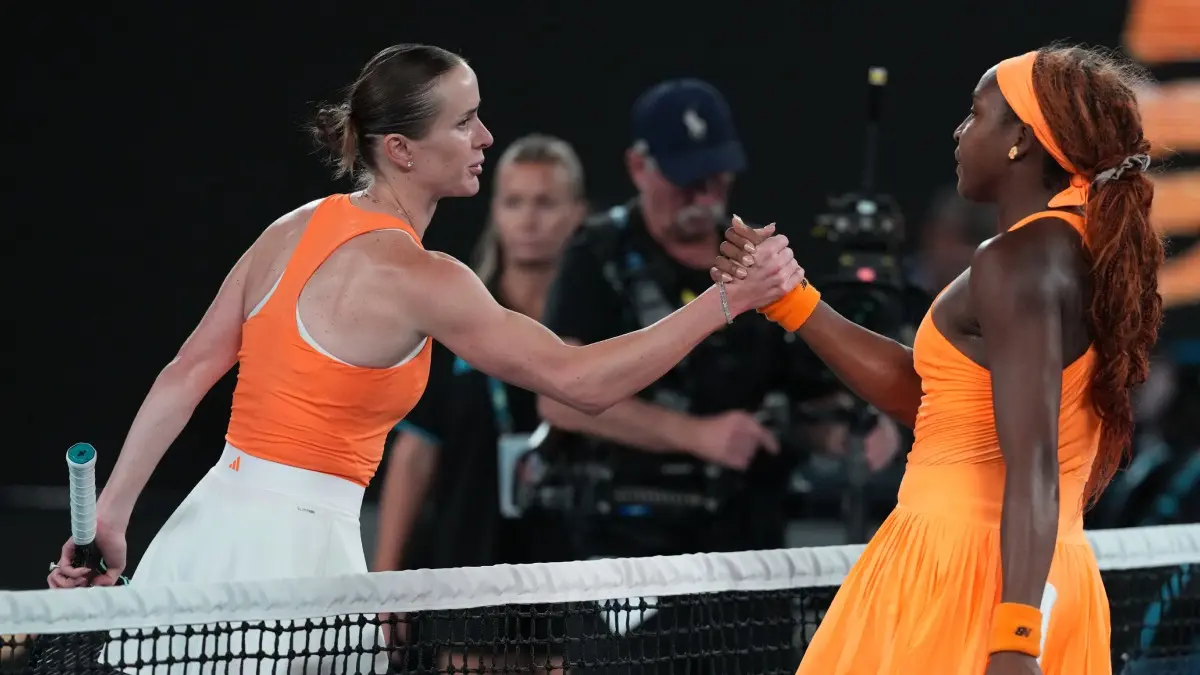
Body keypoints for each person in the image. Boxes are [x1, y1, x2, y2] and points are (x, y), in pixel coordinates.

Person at [44, 44, 803, 672]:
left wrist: (111, 517)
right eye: (465, 121)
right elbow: (581, 384)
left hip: (206, 530)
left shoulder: (291, 228)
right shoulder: (424, 278)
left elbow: (185, 372)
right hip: (298, 559)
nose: (485, 138)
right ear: (402, 149)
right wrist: (728, 299)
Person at [713, 44, 1163, 674]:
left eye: (976, 113)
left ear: (1022, 143)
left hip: (967, 576)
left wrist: (1013, 639)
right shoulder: (1075, 246)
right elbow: (936, 403)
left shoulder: (1019, 259)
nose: (959, 131)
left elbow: (1031, 463)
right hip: (1041, 571)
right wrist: (792, 300)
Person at [535, 78, 807, 673]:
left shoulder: (760, 257)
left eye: (716, 176)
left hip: (747, 553)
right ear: (638, 166)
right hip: (630, 556)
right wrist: (698, 436)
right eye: (686, 178)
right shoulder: (597, 256)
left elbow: (806, 386)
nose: (704, 196)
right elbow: (559, 398)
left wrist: (849, 429)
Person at [372, 133, 587, 672]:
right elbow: (416, 453)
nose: (529, 219)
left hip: (573, 573)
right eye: (514, 202)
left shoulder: (600, 327)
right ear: (495, 211)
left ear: (578, 214)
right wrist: (383, 578)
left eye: (546, 202)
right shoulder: (455, 316)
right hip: (469, 569)